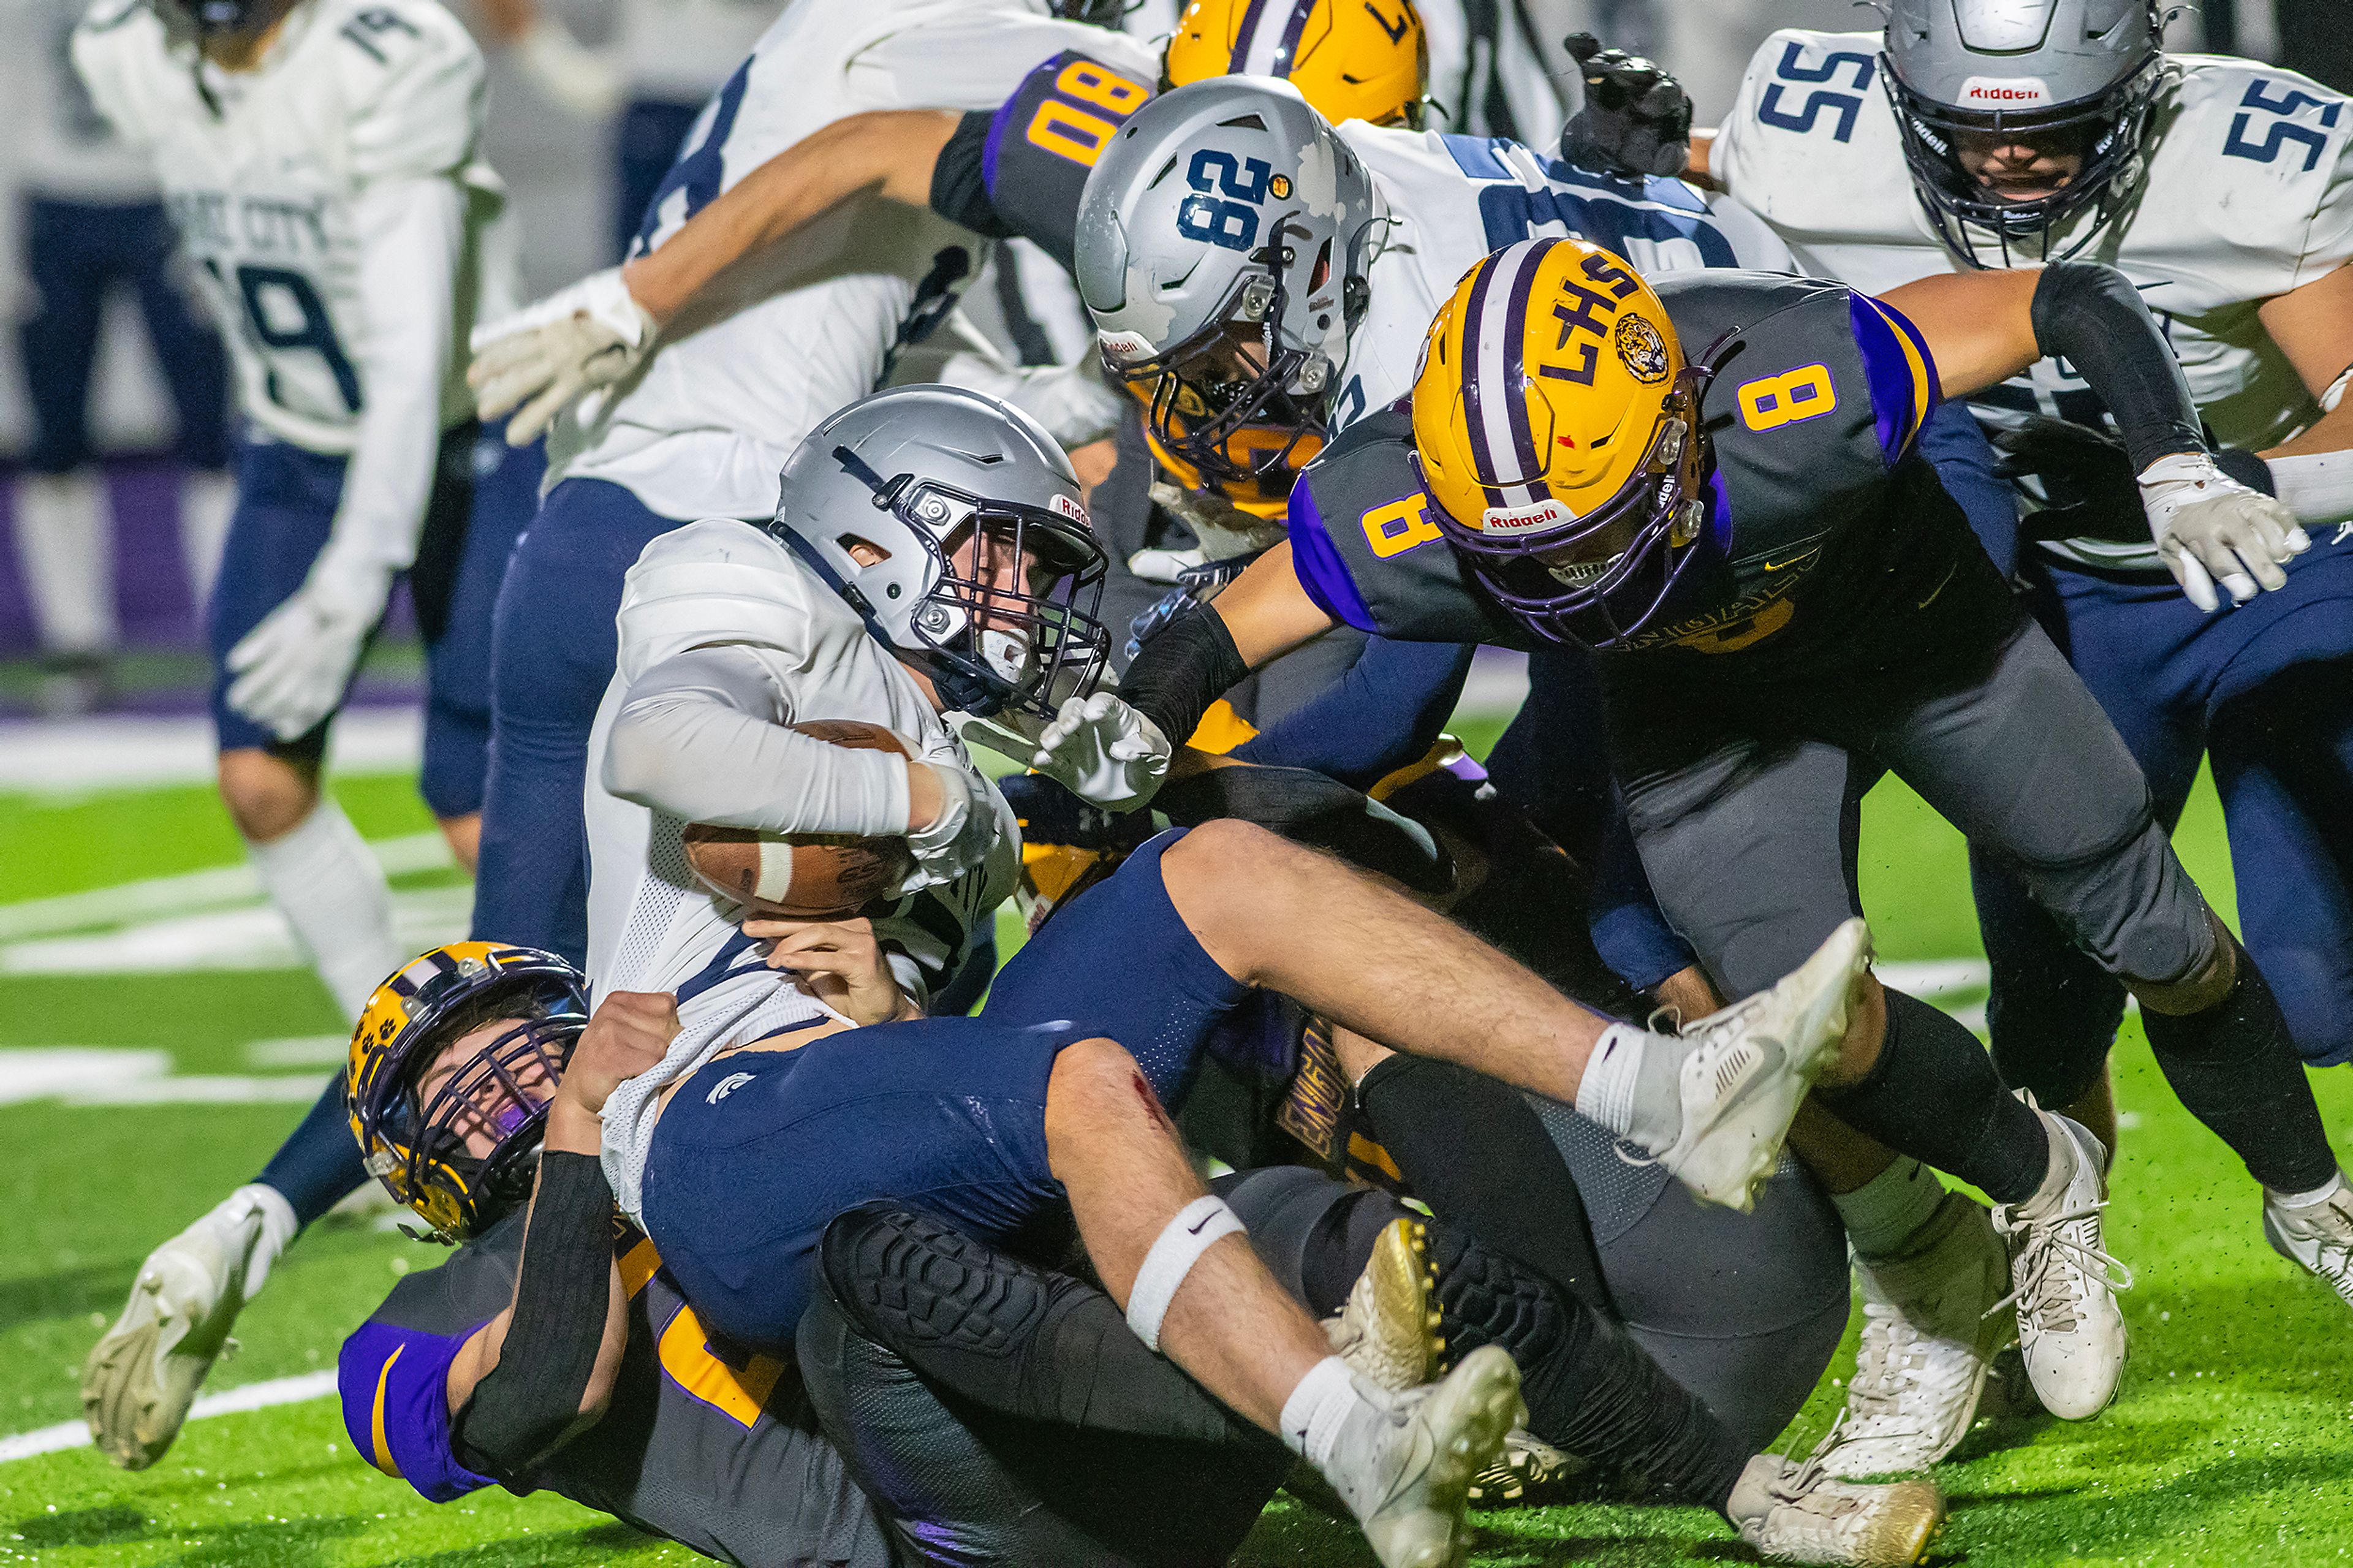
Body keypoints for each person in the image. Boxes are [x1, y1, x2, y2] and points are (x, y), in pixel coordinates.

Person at [1047, 235, 2353, 1439]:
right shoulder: (1404, 505)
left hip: (1919, 636)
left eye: (1602, 525)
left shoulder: (1800, 381)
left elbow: (2066, 294)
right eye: (1534, 555)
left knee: (2155, 933)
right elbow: (1220, 628)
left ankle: (2308, 1193)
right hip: (1693, 698)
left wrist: (2170, 457)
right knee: (1802, 1021)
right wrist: (1131, 718)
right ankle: (2038, 1177)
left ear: (1683, 427)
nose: (1572, 574)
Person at [1658, 0, 2353, 1468]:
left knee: (2306, 996)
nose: (2014, 163)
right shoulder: (1813, 135)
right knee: (2046, 982)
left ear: (2141, 89)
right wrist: (1639, 148)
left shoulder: (2254, 159)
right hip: (2058, 592)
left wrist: (2238, 483)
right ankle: (2053, 1240)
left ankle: (2312, 1198)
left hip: (2270, 567)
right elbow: (1690, 186)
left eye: (2053, 126)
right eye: (1976, 127)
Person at [339, 939, 1941, 1567]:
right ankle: (1344, 1409)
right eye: (455, 1089)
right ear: (414, 1160)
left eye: (513, 1049)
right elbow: (551, 1383)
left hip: (1124, 1437)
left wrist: (880, 1024)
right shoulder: (413, 1326)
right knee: (854, 1261)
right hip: (948, 1532)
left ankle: (1750, 1489)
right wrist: (574, 1141)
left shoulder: (714, 1115)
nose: (502, 1085)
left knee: (1319, 1228)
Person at [455, 0, 1177, 968]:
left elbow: (862, 338)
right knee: (926, 930)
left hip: (583, 527)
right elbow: (871, 147)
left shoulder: (819, 40)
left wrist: (1070, 402)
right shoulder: (1002, 40)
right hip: (736, 522)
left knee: (510, 1010)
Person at [70, 0, 540, 1469]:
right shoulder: (128, 54)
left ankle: (516, 1098)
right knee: (261, 779)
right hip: (295, 435)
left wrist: (352, 581)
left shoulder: (384, 60)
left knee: (481, 810)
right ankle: (406, 1123)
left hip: (466, 436)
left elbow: (411, 361)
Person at [11, 0, 231, 716]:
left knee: (207, 427)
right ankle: (75, 641)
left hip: (166, 194)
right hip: (50, 199)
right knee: (55, 435)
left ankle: (229, 626)